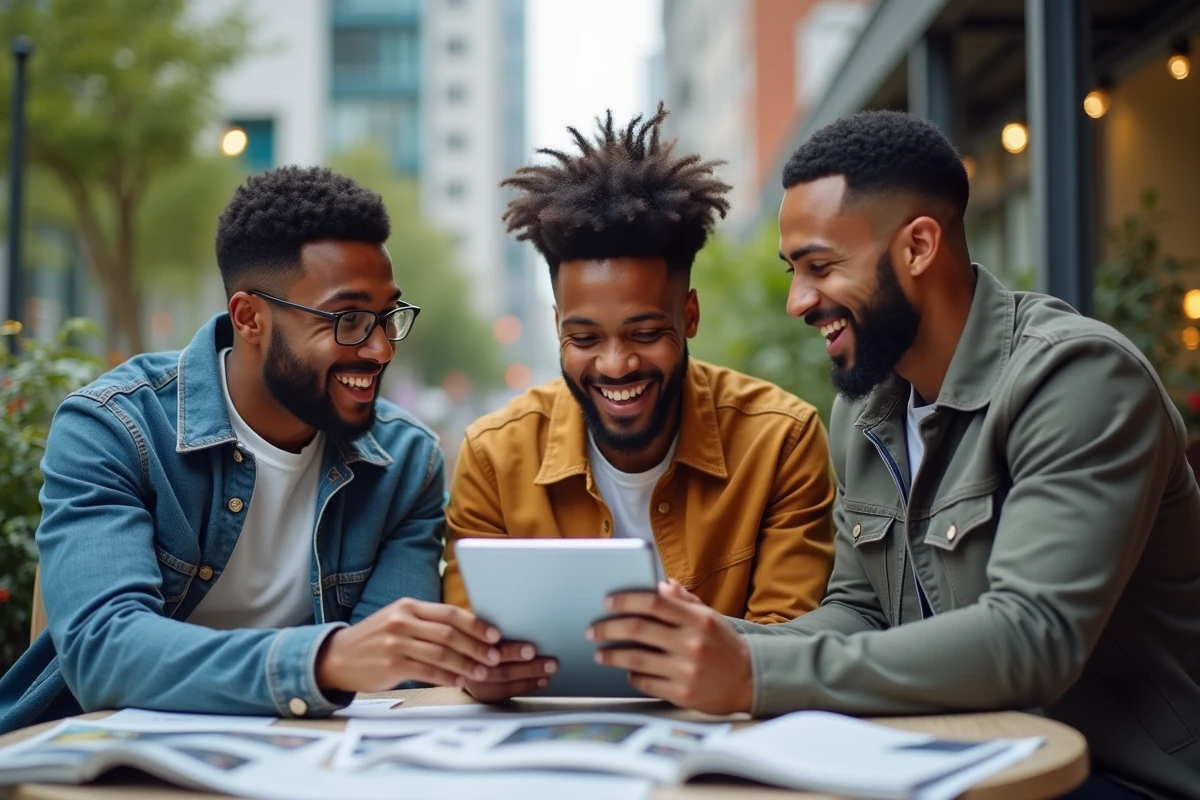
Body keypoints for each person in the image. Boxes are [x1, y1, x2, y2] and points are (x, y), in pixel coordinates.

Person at [586, 110, 1200, 798]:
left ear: (917, 247)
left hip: (1113, 776)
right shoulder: (867, 407)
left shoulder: (1077, 379)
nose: (797, 300)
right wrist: (700, 637)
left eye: (820, 266)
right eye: (793, 270)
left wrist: (755, 674)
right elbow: (859, 610)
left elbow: (1034, 637)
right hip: (951, 756)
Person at [0, 167, 516, 734]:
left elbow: (391, 679)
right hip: (109, 758)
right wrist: (321, 661)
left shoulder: (404, 463)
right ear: (250, 317)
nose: (378, 349)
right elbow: (103, 653)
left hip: (305, 761)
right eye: (347, 320)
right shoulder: (115, 428)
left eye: (387, 317)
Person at [442, 105, 836, 703]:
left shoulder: (781, 440)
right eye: (585, 339)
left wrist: (705, 638)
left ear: (691, 317)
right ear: (556, 329)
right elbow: (466, 647)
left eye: (645, 334)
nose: (615, 364)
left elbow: (790, 647)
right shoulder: (494, 456)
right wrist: (478, 672)